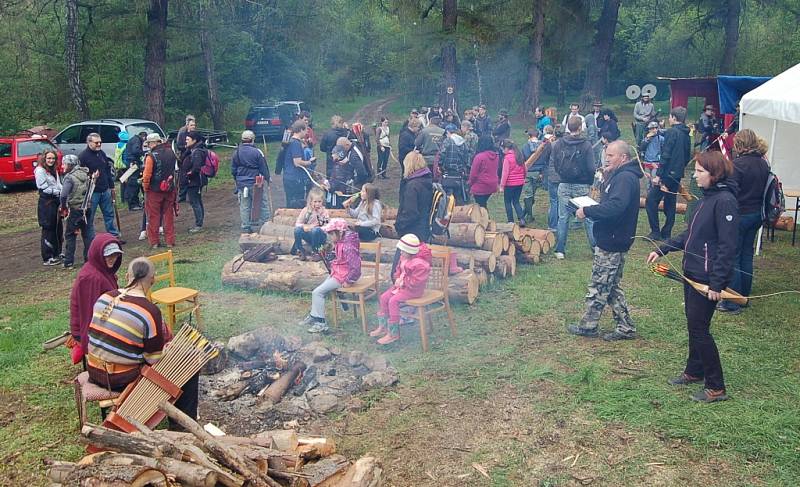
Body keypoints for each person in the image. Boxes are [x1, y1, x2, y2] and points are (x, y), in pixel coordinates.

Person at [647, 151, 738, 403]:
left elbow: (727, 247)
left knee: (700, 329)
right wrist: (661, 249)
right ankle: (694, 371)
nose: (695, 176)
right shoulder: (705, 199)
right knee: (693, 325)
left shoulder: (725, 201)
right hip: (692, 272)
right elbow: (691, 235)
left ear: (715, 174)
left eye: (699, 171)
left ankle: (716, 386)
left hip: (707, 278)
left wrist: (717, 283)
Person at [86, 257, 199, 424]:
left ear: (127, 276)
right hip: (119, 379)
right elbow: (153, 359)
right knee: (189, 366)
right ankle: (182, 428)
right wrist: (168, 349)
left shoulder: (104, 298)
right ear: (152, 279)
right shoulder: (149, 312)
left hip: (94, 370)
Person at [568, 141, 642, 341]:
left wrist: (588, 210)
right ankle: (626, 327)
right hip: (614, 237)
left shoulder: (625, 178)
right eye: (605, 155)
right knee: (611, 286)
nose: (606, 158)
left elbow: (615, 207)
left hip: (613, 239)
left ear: (623, 158)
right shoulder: (619, 176)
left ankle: (588, 325)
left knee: (600, 284)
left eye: (611, 155)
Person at [717, 129, 770, 314]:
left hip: (740, 214)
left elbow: (730, 190)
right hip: (757, 214)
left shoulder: (738, 165)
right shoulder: (763, 163)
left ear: (739, 144)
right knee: (746, 255)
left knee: (733, 257)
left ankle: (733, 301)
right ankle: (744, 294)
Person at [298, 218, 361, 334]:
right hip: (337, 272)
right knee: (318, 291)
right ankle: (314, 315)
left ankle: (321, 323)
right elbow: (339, 256)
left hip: (343, 276)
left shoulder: (348, 246)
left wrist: (349, 280)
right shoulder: (341, 241)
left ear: (340, 232)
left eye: (331, 234)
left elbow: (356, 267)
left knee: (317, 292)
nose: (330, 237)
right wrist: (330, 255)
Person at [69, 234, 123, 364]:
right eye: (108, 255)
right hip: (90, 331)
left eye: (115, 255)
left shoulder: (102, 270)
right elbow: (89, 315)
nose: (112, 259)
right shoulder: (91, 278)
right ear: (98, 254)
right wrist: (90, 347)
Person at [369, 234, 432, 345]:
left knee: (393, 301)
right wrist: (397, 277)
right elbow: (398, 270)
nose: (401, 252)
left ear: (410, 251)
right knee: (384, 297)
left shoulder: (421, 265)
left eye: (403, 250)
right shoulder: (404, 258)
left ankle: (394, 333)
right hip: (401, 287)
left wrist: (403, 282)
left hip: (413, 290)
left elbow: (416, 282)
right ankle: (383, 327)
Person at [551, 116, 596, 259]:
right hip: (582, 185)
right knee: (588, 217)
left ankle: (560, 250)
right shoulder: (586, 144)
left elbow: (556, 163)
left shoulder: (558, 144)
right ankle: (595, 248)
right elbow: (591, 167)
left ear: (568, 127)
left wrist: (562, 176)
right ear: (580, 128)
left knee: (563, 218)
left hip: (563, 184)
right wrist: (589, 181)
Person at [646, 106, 691, 240]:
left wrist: (658, 175)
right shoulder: (686, 134)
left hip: (667, 174)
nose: (669, 119)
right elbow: (687, 155)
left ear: (674, 118)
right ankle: (667, 232)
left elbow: (666, 154)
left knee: (651, 201)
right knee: (670, 202)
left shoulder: (672, 132)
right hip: (677, 174)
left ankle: (655, 232)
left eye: (670, 117)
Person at [79, 133, 120, 241]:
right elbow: (80, 176)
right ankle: (90, 240)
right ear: (89, 142)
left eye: (100, 142)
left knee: (109, 214)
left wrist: (111, 186)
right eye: (96, 142)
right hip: (92, 192)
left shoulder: (101, 153)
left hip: (105, 189)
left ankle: (113, 236)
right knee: (90, 216)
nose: (99, 144)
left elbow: (107, 170)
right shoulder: (83, 157)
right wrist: (90, 177)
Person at [232, 130, 271, 234]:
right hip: (256, 183)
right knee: (262, 203)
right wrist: (268, 178)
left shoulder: (237, 152)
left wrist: (237, 180)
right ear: (252, 140)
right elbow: (263, 168)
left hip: (242, 183)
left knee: (244, 205)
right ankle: (266, 223)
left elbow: (233, 170)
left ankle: (246, 226)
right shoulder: (257, 152)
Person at [142, 133, 177, 248]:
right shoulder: (171, 153)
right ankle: (170, 241)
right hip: (169, 189)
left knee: (153, 217)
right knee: (168, 216)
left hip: (154, 191)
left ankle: (154, 242)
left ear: (155, 143)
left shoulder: (151, 157)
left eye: (149, 143)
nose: (148, 146)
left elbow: (147, 176)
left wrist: (145, 188)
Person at [59, 155, 91, 268]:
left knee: (70, 235)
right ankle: (89, 259)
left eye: (64, 164)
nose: (63, 166)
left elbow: (63, 195)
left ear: (69, 165)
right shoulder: (85, 174)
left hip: (74, 209)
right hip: (86, 208)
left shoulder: (69, 178)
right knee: (87, 235)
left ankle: (68, 262)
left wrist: (63, 206)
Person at [395, 152, 433, 243]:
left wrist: (399, 225)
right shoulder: (426, 181)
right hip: (423, 228)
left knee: (402, 257)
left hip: (412, 232)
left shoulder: (412, 186)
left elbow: (410, 212)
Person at [34, 149, 63, 265]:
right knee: (48, 228)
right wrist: (57, 192)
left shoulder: (53, 170)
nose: (51, 160)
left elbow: (58, 183)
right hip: (46, 203)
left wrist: (62, 191)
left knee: (58, 227)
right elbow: (43, 188)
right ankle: (48, 257)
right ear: (44, 159)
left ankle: (57, 252)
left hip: (56, 201)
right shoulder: (40, 171)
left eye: (53, 158)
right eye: (49, 158)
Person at [180, 131, 208, 234]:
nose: (185, 141)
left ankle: (198, 224)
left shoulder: (197, 152)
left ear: (194, 140)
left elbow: (196, 168)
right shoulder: (193, 150)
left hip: (194, 181)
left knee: (195, 202)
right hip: (195, 181)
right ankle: (199, 222)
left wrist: (188, 175)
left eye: (187, 139)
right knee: (197, 201)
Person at [281, 121, 313, 208]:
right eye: (306, 130)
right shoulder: (295, 143)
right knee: (297, 204)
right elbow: (297, 162)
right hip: (295, 179)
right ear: (301, 130)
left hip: (288, 177)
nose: (307, 132)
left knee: (290, 202)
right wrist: (309, 162)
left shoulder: (290, 141)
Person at [292, 188, 330, 259]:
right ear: (311, 202)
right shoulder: (306, 211)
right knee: (297, 230)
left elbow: (327, 226)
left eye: (319, 202)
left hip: (320, 236)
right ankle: (300, 250)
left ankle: (316, 251)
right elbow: (297, 224)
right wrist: (305, 226)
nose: (317, 204)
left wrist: (317, 223)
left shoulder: (324, 212)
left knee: (316, 230)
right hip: (309, 234)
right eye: (315, 202)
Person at [439, 124, 470, 204]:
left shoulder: (448, 140)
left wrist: (440, 165)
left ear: (448, 132)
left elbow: (442, 154)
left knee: (447, 195)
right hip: (459, 172)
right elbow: (466, 156)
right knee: (458, 194)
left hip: (448, 171)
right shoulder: (463, 142)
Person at [468, 135, 500, 209]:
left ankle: (485, 219)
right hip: (492, 184)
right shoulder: (496, 156)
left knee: (481, 206)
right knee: (483, 204)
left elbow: (473, 174)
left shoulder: (479, 157)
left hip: (481, 185)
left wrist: (470, 183)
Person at [499, 139, 526, 226]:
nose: (503, 151)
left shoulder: (507, 158)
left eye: (503, 149)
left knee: (507, 202)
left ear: (506, 148)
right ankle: (521, 218)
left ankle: (510, 221)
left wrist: (502, 186)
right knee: (516, 201)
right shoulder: (519, 155)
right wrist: (523, 178)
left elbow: (505, 173)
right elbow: (525, 168)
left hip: (510, 184)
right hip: (519, 183)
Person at [521, 128, 545, 223]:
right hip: (538, 173)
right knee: (532, 194)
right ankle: (526, 213)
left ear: (529, 136)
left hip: (528, 172)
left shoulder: (525, 146)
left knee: (528, 194)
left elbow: (522, 160)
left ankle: (528, 215)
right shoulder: (542, 146)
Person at [176, 115, 196, 203]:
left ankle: (192, 193)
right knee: (183, 175)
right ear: (187, 124)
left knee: (193, 173)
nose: (194, 126)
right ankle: (182, 195)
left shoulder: (194, 132)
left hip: (193, 154)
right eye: (192, 124)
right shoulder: (182, 132)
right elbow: (179, 145)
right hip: (184, 155)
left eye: (194, 124)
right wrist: (186, 147)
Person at [123, 130, 144, 211]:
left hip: (131, 163)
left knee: (131, 183)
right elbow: (136, 151)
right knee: (133, 184)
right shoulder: (137, 140)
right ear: (143, 137)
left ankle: (133, 202)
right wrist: (143, 152)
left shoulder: (133, 139)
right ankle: (133, 204)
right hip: (133, 164)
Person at [639, 121, 665, 187]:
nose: (654, 130)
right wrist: (647, 139)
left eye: (655, 128)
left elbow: (664, 148)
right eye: (652, 129)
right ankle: (648, 195)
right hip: (647, 162)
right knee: (647, 181)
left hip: (656, 162)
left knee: (654, 179)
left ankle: (654, 195)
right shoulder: (646, 139)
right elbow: (641, 148)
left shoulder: (661, 138)